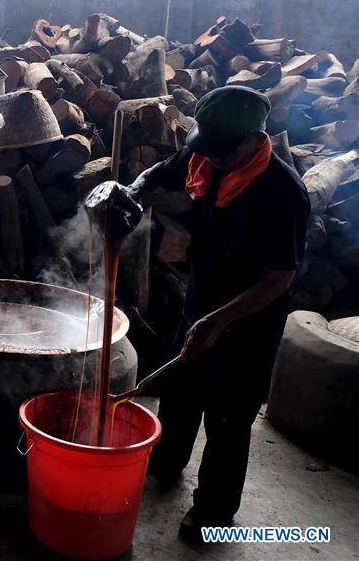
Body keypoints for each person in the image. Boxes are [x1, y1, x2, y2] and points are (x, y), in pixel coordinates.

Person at [126, 85, 310, 545]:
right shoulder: (205, 159)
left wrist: (218, 321)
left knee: (228, 418)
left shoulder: (282, 193)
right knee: (182, 390)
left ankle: (212, 511)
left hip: (250, 320)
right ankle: (166, 462)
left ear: (254, 139)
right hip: (201, 301)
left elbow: (278, 277)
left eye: (224, 151)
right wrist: (133, 191)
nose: (214, 158)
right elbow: (157, 173)